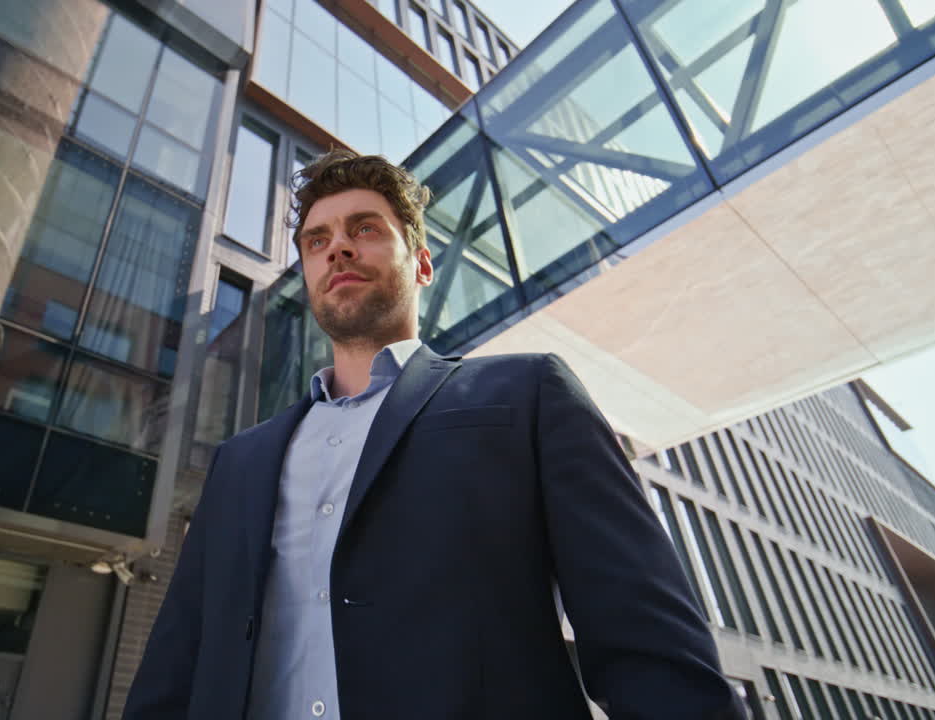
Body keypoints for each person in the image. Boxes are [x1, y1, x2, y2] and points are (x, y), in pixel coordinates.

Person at [122, 150, 746, 720]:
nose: (337, 248)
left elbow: (646, 639)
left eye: (364, 229)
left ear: (420, 262)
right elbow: (174, 669)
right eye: (317, 241)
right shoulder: (240, 461)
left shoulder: (527, 395)